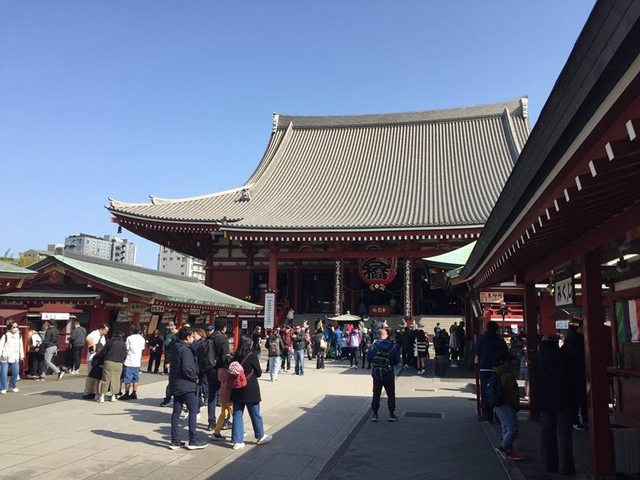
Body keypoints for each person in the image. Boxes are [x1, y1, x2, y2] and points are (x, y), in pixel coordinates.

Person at [530, 334, 575, 476]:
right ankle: (567, 467)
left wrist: (535, 401)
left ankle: (549, 465)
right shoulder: (565, 356)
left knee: (547, 433)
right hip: (564, 400)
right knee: (565, 434)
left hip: (545, 401)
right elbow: (572, 379)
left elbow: (534, 381)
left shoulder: (537, 358)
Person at [229, 336, 272, 450]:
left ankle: (237, 441)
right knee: (255, 413)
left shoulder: (235, 356)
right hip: (250, 389)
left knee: (237, 415)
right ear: (249, 344)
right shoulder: (251, 356)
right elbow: (259, 373)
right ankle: (260, 436)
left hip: (236, 388)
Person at [168, 327, 207, 450]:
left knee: (176, 412)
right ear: (187, 337)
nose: (193, 339)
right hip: (187, 385)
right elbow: (187, 368)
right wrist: (194, 377)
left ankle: (175, 440)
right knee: (193, 411)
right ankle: (193, 439)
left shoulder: (175, 347)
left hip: (176, 383)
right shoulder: (186, 350)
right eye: (192, 337)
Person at [492, 351, 523, 461]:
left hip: (498, 404)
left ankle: (508, 449)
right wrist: (515, 404)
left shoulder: (496, 373)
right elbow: (512, 392)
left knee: (506, 427)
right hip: (507, 404)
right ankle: (504, 447)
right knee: (513, 428)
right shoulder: (508, 375)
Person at [475, 321, 508, 422]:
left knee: (485, 392)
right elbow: (505, 353)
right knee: (499, 391)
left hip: (484, 367)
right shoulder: (500, 341)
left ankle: (487, 415)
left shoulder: (481, 339)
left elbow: (477, 352)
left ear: (487, 328)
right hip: (498, 368)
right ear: (497, 329)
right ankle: (499, 415)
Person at [367, 328, 400, 422]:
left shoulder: (373, 346)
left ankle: (375, 414)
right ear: (388, 335)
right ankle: (391, 414)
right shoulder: (392, 346)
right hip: (388, 373)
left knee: (376, 394)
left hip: (376, 374)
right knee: (391, 394)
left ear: (379, 335)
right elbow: (396, 361)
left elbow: (369, 359)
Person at [205, 319, 230, 431]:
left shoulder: (209, 337)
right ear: (224, 328)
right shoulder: (223, 338)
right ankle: (225, 420)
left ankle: (211, 422)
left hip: (210, 369)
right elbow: (225, 358)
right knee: (225, 396)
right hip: (221, 370)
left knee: (212, 396)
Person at [562, 324, 587, 430]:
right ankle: (581, 419)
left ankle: (575, 420)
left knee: (575, 399)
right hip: (578, 374)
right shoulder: (577, 341)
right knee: (580, 398)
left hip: (572, 374)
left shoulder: (570, 340)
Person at [96, 331, 127, 403]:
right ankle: (113, 396)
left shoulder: (109, 342)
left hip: (108, 361)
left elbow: (104, 352)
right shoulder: (123, 344)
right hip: (118, 363)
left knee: (106, 379)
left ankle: (102, 396)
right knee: (116, 379)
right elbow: (125, 354)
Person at [120, 324, 146, 400]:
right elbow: (142, 348)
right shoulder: (142, 338)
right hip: (137, 361)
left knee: (128, 378)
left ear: (131, 331)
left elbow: (126, 348)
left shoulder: (129, 338)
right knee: (135, 379)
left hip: (129, 360)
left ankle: (127, 393)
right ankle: (134, 393)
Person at [84, 324, 109, 398]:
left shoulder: (103, 337)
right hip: (91, 358)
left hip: (98, 359)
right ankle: (87, 392)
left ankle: (93, 392)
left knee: (95, 376)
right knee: (91, 376)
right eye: (106, 331)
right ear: (102, 329)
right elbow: (88, 338)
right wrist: (93, 345)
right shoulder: (95, 333)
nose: (106, 333)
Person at [211, 357, 232, 441]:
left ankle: (216, 432)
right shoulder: (229, 372)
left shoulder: (220, 371)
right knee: (235, 413)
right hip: (229, 394)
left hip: (222, 393)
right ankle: (239, 430)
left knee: (223, 413)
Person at [0, 321, 25, 394]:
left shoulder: (19, 336)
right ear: (9, 328)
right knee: (4, 373)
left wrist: (21, 355)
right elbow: (0, 346)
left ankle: (12, 386)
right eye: (13, 327)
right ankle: (3, 388)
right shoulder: (5, 336)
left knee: (16, 372)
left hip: (15, 357)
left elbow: (21, 346)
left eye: (17, 327)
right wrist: (1, 355)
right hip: (5, 357)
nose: (15, 328)